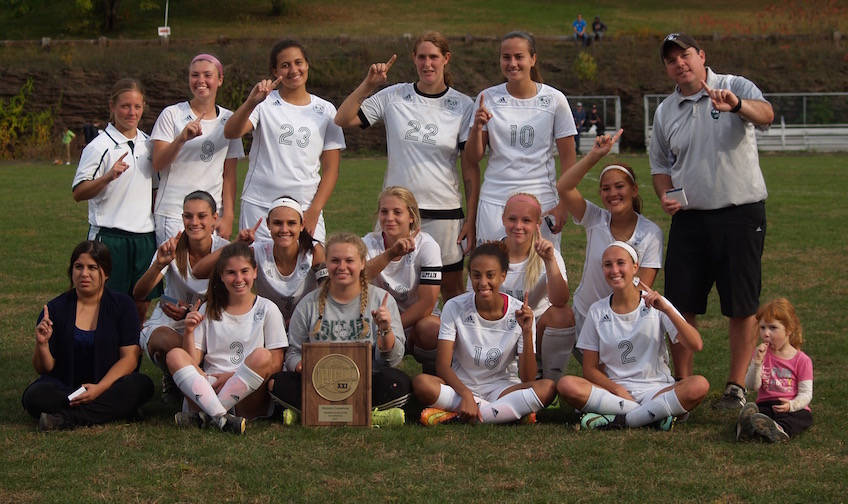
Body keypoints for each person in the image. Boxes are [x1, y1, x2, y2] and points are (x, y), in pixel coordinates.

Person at [650, 33, 774, 409]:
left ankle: (735, 386)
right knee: (680, 303)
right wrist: (664, 195)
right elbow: (659, 165)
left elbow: (767, 115)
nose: (679, 64)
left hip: (740, 215)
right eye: (671, 60)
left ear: (701, 56)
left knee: (741, 304)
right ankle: (683, 383)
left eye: (685, 55)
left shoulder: (733, 85)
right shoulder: (665, 111)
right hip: (689, 220)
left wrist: (736, 105)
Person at [334, 31, 479, 301]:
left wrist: (470, 218)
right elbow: (342, 118)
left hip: (444, 213)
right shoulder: (394, 95)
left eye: (434, 57)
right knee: (382, 286)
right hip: (396, 213)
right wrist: (369, 84)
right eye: (421, 57)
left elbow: (470, 168)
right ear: (413, 59)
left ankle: (447, 343)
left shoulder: (463, 105)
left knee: (452, 291)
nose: (428, 64)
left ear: (446, 59)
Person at [556, 242, 709, 430]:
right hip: (614, 392)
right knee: (566, 385)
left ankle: (621, 418)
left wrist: (667, 310)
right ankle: (650, 415)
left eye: (621, 263)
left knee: (698, 385)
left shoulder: (656, 303)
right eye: (608, 265)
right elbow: (590, 369)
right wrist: (617, 389)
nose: (615, 270)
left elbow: (696, 344)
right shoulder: (597, 310)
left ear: (635, 267)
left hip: (656, 389)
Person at [268, 232, 410, 427]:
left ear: (362, 263)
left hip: (366, 383)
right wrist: (301, 365)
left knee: (398, 383)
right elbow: (293, 352)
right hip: (320, 383)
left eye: (349, 260)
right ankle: (366, 414)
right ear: (326, 263)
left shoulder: (382, 300)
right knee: (278, 383)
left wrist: (385, 330)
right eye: (335, 260)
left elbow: (391, 361)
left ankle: (311, 413)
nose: (342, 267)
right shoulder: (309, 303)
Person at [413, 241, 557, 425]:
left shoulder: (520, 312)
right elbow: (442, 366)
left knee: (548, 388)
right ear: (470, 276)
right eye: (476, 275)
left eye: (490, 275)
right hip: (461, 386)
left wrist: (527, 332)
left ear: (503, 276)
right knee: (421, 383)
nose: (483, 283)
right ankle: (505, 413)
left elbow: (527, 377)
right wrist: (466, 394)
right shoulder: (454, 306)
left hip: (501, 387)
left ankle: (459, 415)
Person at [556, 130, 664, 365]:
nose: (613, 193)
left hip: (621, 323)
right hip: (584, 317)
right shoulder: (595, 218)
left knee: (611, 389)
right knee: (556, 319)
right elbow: (564, 187)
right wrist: (595, 155)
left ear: (634, 190)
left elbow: (641, 290)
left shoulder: (650, 233)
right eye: (606, 189)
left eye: (619, 187)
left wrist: (612, 322)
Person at [22, 240, 154, 431]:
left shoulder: (123, 305)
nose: (84, 273)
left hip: (108, 384)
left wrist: (99, 389)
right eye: (78, 267)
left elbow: (129, 359)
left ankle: (65, 420)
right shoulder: (54, 309)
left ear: (106, 273)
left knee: (142, 385)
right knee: (34, 396)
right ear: (71, 272)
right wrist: (41, 344)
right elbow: (45, 368)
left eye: (92, 267)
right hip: (67, 386)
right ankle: (117, 409)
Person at [466, 31, 577, 250]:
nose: (512, 63)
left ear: (533, 59)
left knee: (540, 276)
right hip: (495, 200)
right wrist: (477, 128)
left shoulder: (555, 100)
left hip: (541, 201)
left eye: (519, 56)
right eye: (506, 57)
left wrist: (564, 205)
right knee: (491, 273)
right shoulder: (486, 98)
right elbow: (472, 157)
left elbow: (568, 161)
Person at [225, 39, 344, 243]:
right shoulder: (264, 103)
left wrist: (315, 210)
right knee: (255, 268)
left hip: (305, 206)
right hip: (260, 204)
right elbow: (231, 131)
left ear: (307, 64)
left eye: (298, 62)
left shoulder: (326, 109)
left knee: (311, 269)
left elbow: (331, 169)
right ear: (274, 71)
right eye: (285, 65)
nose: (293, 70)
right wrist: (251, 101)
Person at [165, 242, 287, 434]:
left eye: (244, 271)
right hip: (207, 388)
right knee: (174, 355)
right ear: (221, 276)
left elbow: (276, 364)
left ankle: (208, 416)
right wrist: (189, 330)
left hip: (247, 391)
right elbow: (193, 360)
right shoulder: (208, 308)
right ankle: (221, 417)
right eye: (231, 273)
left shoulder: (267, 309)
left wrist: (232, 377)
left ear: (255, 272)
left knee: (262, 356)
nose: (238, 279)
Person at [72, 78, 159, 325]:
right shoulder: (99, 146)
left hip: (144, 238)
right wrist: (108, 177)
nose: (131, 112)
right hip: (110, 237)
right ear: (112, 106)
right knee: (106, 307)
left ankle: (132, 362)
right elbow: (78, 192)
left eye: (137, 107)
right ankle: (102, 359)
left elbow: (155, 189)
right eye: (125, 106)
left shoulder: (149, 143)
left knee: (140, 308)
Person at [133, 191, 228, 404]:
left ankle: (194, 382)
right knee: (160, 341)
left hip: (207, 322)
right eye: (188, 216)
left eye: (201, 216)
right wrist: (159, 263)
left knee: (212, 347)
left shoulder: (224, 249)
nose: (194, 222)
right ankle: (181, 378)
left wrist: (190, 312)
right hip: (173, 323)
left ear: (215, 218)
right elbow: (139, 293)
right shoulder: (173, 247)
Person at [150, 53, 244, 244]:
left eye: (207, 75)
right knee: (175, 272)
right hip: (173, 212)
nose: (201, 81)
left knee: (208, 273)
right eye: (195, 75)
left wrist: (228, 216)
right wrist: (181, 139)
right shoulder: (172, 114)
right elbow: (158, 163)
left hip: (210, 216)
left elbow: (229, 174)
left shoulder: (230, 120)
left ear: (220, 80)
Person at [195, 196, 325, 329]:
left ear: (302, 225)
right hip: (266, 324)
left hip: (306, 322)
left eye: (291, 223)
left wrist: (298, 318)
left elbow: (327, 290)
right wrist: (236, 244)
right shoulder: (258, 251)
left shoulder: (313, 252)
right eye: (277, 223)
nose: (284, 229)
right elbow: (199, 272)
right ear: (268, 224)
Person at [363, 186, 441, 373]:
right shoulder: (368, 243)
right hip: (377, 323)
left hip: (415, 321)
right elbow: (356, 280)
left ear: (411, 216)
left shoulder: (427, 246)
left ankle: (433, 376)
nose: (389, 218)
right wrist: (391, 253)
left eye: (397, 212)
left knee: (431, 329)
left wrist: (392, 327)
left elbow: (427, 303)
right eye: (384, 212)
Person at [497, 193, 574, 382]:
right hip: (499, 326)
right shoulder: (491, 253)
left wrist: (549, 261)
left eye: (526, 220)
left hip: (535, 328)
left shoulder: (549, 254)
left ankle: (549, 380)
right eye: (512, 219)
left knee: (562, 316)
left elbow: (560, 300)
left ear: (537, 224)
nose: (518, 226)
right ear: (503, 219)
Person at [736, 298, 813, 442]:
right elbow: (752, 386)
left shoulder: (802, 360)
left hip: (791, 406)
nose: (766, 333)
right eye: (763, 327)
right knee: (756, 413)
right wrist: (757, 363)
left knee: (801, 417)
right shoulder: (761, 355)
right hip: (766, 404)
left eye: (773, 328)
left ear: (789, 329)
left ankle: (779, 430)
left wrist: (792, 405)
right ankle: (747, 429)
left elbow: (806, 393)